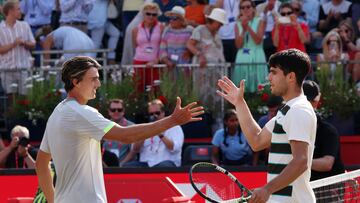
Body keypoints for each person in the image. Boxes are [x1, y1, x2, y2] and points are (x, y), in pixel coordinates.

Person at [35, 56, 204, 203]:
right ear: (75, 81)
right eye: (93, 79)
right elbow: (125, 136)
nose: (98, 83)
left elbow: (41, 163)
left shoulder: (57, 114)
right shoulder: (81, 113)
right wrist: (172, 120)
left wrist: (52, 200)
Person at [217, 48, 317, 202]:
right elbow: (256, 141)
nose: (269, 77)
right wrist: (239, 103)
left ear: (291, 77)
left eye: (274, 72)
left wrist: (267, 189)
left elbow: (301, 161)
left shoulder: (299, 110)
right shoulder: (288, 109)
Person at [303, 80, 345, 202]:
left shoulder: (328, 131)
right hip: (307, 188)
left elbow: (327, 164)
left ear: (316, 103)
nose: (307, 106)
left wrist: (298, 162)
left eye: (309, 102)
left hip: (328, 190)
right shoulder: (292, 128)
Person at [122, 99, 184, 167]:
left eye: (157, 113)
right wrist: (144, 134)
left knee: (164, 166)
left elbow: (174, 148)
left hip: (166, 163)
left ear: (163, 113)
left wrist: (159, 133)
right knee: (128, 166)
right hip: (147, 164)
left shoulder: (174, 127)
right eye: (151, 114)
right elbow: (135, 149)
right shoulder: (145, 127)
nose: (154, 116)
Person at [0, 0, 36, 95]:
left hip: (23, 68)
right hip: (7, 69)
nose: (21, 12)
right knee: (11, 99)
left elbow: (33, 44)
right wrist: (14, 44)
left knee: (25, 99)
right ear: (10, 11)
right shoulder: (0, 29)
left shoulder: (25, 25)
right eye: (18, 9)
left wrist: (24, 43)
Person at [232, 0, 268, 93]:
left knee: (260, 86)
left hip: (257, 54)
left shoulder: (260, 21)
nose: (245, 9)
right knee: (241, 86)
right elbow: (238, 45)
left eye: (248, 6)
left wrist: (248, 27)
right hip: (242, 56)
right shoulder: (237, 24)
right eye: (242, 7)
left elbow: (258, 41)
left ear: (253, 8)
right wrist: (243, 30)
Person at [132, 2, 164, 92]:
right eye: (148, 14)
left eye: (154, 14)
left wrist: (157, 60)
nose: (151, 16)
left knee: (155, 89)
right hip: (139, 61)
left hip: (155, 62)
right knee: (137, 88)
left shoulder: (161, 27)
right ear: (143, 14)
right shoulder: (136, 29)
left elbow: (163, 46)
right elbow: (135, 45)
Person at [102, 99, 135, 164]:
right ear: (109, 111)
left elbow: (133, 151)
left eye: (119, 110)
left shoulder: (132, 127)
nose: (116, 112)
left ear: (123, 111)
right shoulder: (103, 126)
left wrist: (120, 166)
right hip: (105, 167)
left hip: (125, 167)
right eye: (113, 110)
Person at [253, 95, 283, 166]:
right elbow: (256, 146)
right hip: (264, 159)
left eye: (274, 111)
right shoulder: (263, 121)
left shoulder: (286, 120)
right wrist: (254, 166)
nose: (272, 113)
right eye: (270, 111)